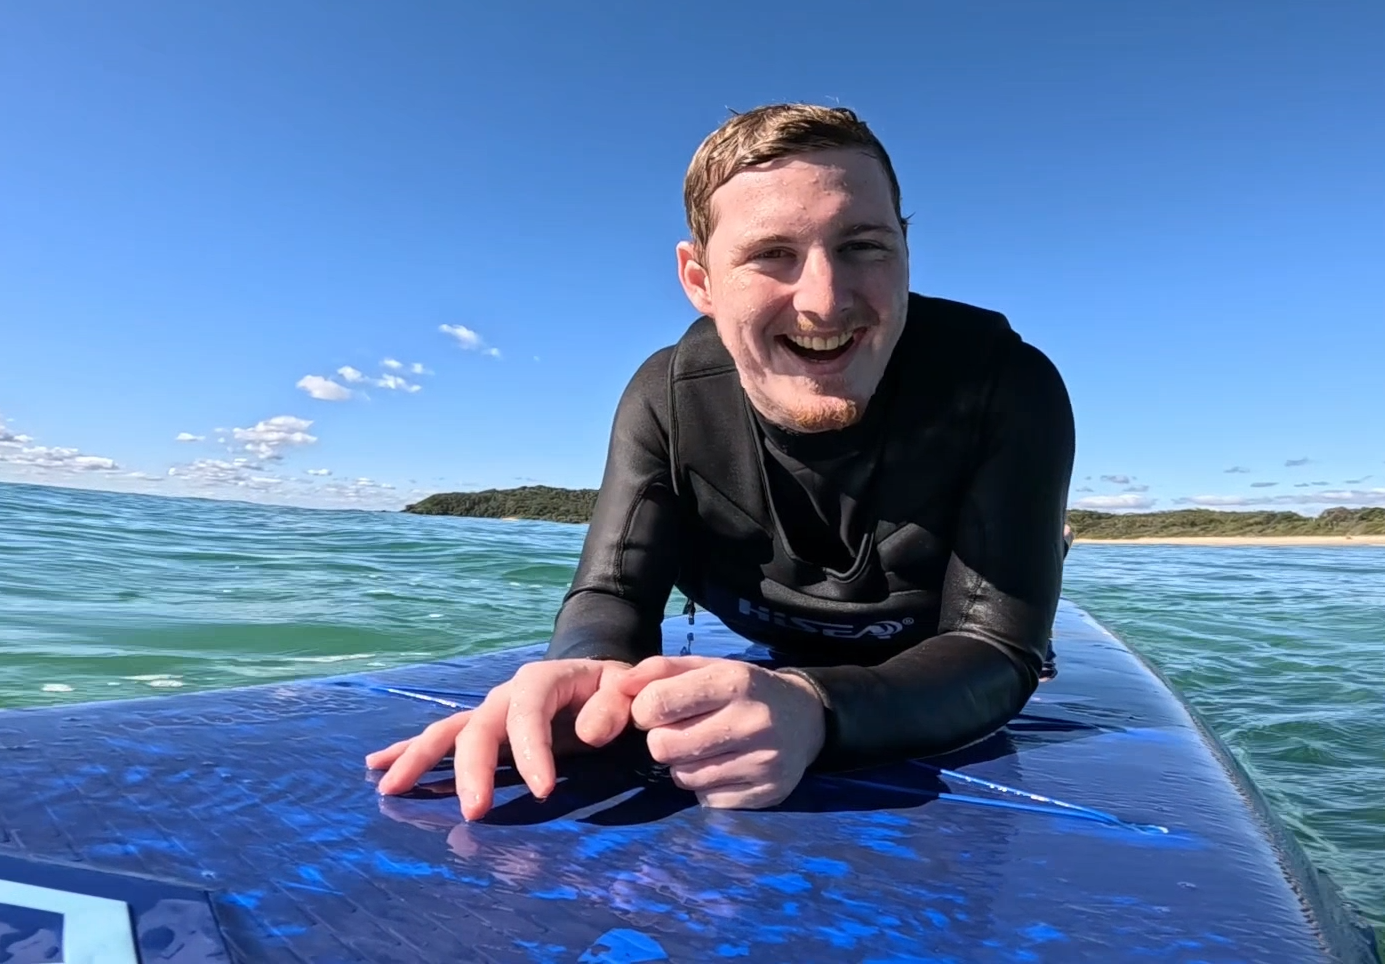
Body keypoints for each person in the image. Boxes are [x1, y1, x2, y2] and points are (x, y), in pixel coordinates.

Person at [367, 103, 1075, 819]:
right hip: (783, 637)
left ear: (906, 252)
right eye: (773, 254)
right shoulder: (667, 401)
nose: (825, 301)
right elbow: (612, 594)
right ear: (700, 280)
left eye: (865, 246)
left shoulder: (1005, 386)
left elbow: (992, 647)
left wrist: (818, 710)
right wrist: (587, 676)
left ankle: (1046, 548)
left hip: (939, 641)